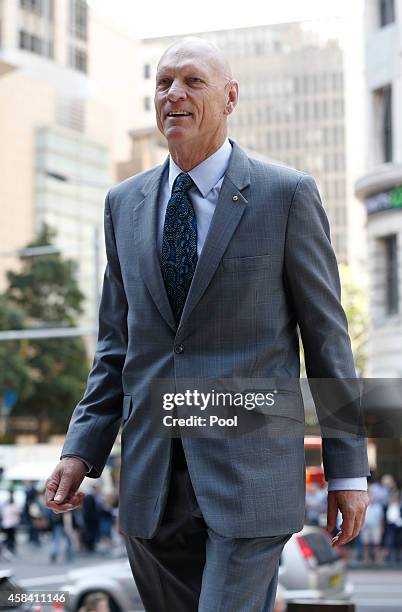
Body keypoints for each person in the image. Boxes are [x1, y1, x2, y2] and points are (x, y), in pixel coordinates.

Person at [45, 37, 370, 611]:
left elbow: (327, 341)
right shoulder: (123, 203)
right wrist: (81, 448)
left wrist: (347, 472)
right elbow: (117, 347)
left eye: (193, 81)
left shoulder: (285, 195)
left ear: (230, 97)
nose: (175, 94)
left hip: (249, 475)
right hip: (151, 482)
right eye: (164, 82)